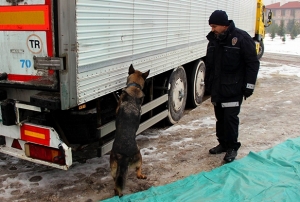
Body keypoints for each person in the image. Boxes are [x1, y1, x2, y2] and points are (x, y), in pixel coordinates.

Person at [205, 10, 260, 163]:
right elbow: (210, 65)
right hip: (218, 88)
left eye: (214, 26)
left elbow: (252, 63)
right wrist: (208, 84)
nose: (212, 29)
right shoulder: (213, 40)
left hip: (234, 88)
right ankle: (223, 144)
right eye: (211, 26)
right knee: (220, 118)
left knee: (230, 119)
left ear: (224, 25)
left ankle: (232, 148)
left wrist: (249, 86)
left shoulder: (241, 38)